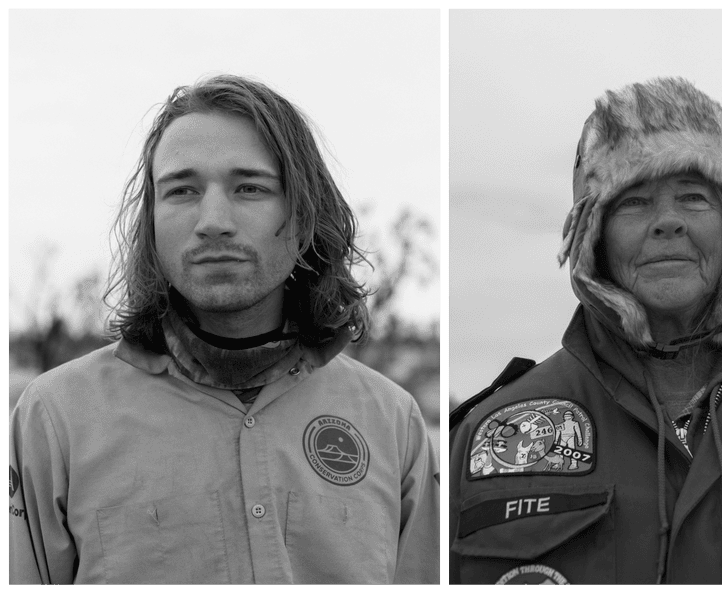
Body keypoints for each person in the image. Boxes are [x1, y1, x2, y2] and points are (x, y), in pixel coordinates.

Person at [9, 75, 439, 585]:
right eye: (183, 190)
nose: (213, 220)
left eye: (249, 188)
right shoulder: (55, 419)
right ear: (151, 221)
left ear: (303, 216)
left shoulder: (393, 422)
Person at [449, 77, 722, 585]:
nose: (667, 222)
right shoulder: (486, 436)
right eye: (634, 201)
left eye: (693, 197)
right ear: (593, 235)